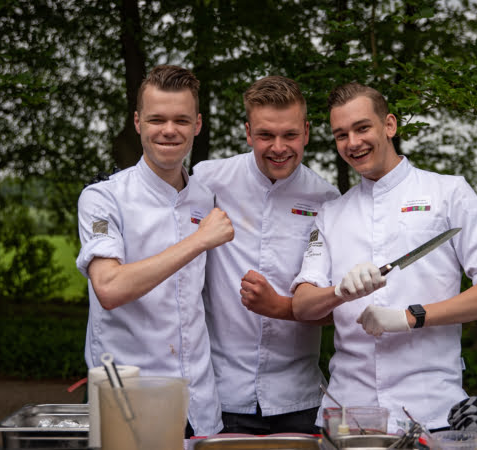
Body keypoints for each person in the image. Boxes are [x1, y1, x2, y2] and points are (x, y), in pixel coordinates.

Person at [290, 82, 477, 432]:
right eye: (341, 134)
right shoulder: (331, 213)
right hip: (348, 415)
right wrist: (339, 292)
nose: (353, 142)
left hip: (432, 411)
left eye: (362, 127)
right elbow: (302, 306)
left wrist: (411, 317)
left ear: (389, 125)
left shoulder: (448, 193)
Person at [76, 65, 233, 437]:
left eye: (181, 119)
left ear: (197, 124)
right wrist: (198, 240)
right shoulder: (103, 198)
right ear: (137, 123)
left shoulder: (205, 197)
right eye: (156, 119)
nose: (169, 130)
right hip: (130, 404)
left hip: (200, 404)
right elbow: (110, 288)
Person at [192, 76, 340, 434]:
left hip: (300, 398)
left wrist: (284, 305)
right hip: (220, 394)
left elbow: (340, 310)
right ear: (247, 132)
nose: (278, 147)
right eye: (265, 135)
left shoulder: (328, 200)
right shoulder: (207, 181)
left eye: (289, 135)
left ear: (306, 132)